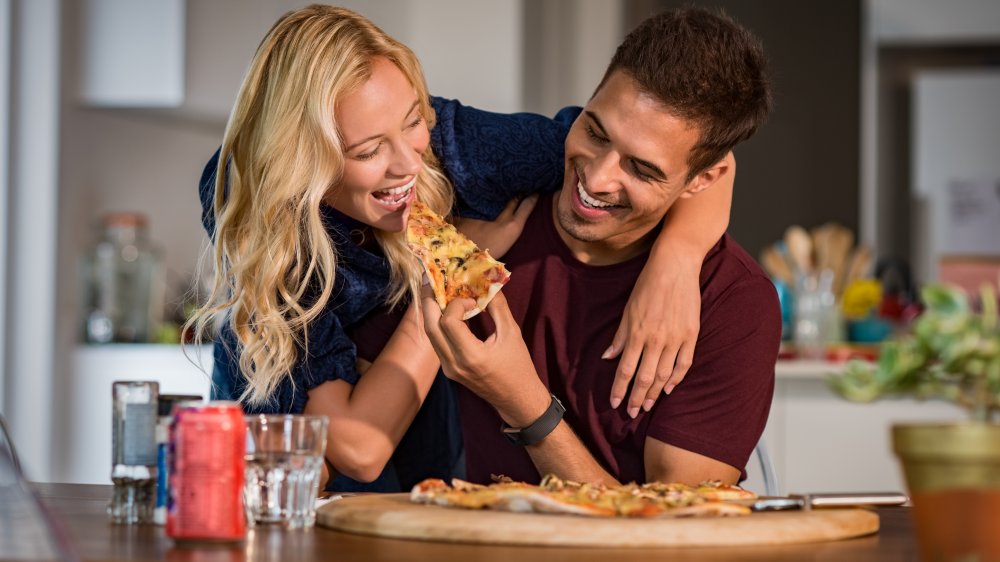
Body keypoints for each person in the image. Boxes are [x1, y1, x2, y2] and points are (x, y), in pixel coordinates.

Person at [188, 4, 733, 492]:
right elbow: (357, 449)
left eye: (412, 122)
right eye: (370, 150)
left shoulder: (457, 145)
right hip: (290, 445)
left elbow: (694, 155)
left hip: (415, 436)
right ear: (299, 158)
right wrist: (455, 264)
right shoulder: (260, 210)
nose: (408, 164)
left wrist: (677, 264)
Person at [420, 7, 779, 487]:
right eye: (594, 131)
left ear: (704, 179)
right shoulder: (489, 222)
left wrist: (524, 402)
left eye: (642, 169)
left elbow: (672, 537)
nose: (596, 176)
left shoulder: (734, 302)